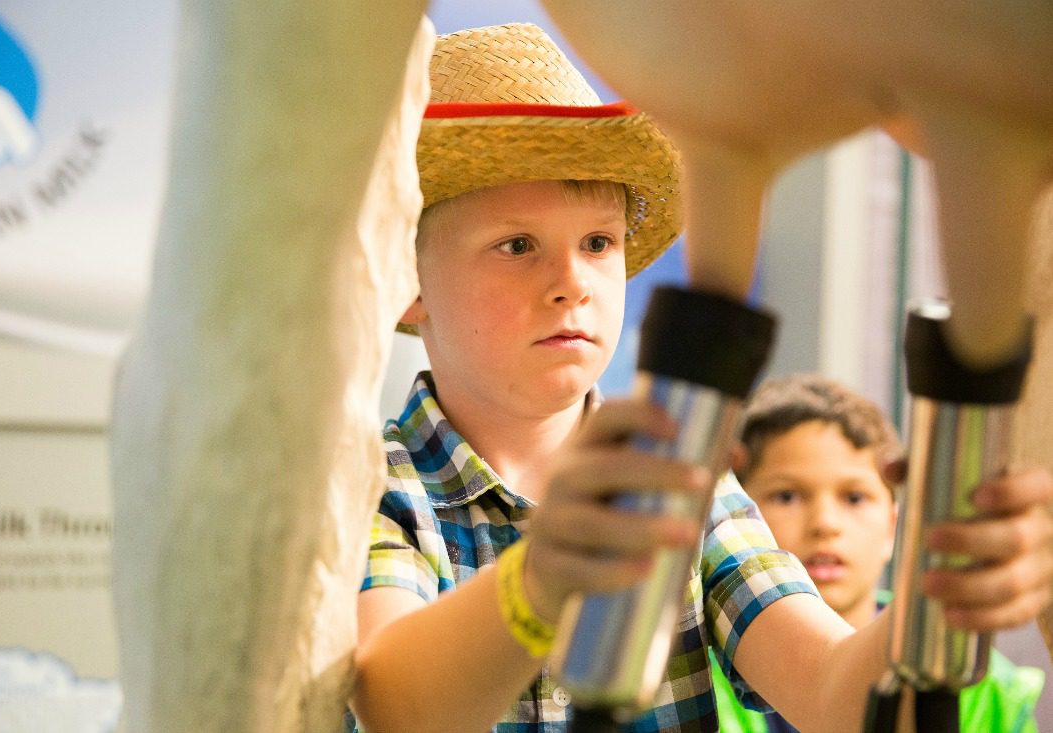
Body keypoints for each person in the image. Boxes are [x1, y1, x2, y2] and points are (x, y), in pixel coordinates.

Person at [346, 23, 1053, 733]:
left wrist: (943, 584)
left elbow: (836, 694)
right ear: (409, 282)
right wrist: (538, 579)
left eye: (598, 242)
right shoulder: (369, 490)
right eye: (517, 244)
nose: (573, 281)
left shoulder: (684, 480)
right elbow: (395, 705)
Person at [712, 373, 1045, 732]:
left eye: (855, 498)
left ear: (893, 527)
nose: (825, 523)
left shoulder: (993, 693)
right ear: (743, 513)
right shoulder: (701, 677)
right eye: (787, 496)